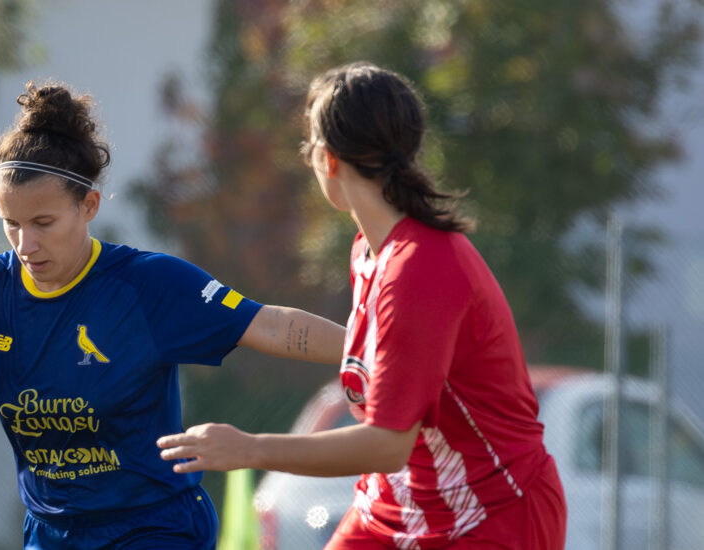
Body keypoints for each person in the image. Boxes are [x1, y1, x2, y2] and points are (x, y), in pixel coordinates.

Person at [0, 80, 345, 550]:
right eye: (11, 224)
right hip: (52, 534)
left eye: (43, 223)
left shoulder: (146, 285)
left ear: (88, 205)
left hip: (155, 529)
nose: (25, 244)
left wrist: (373, 348)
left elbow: (271, 325)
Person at [157, 62, 567, 549]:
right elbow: (379, 355)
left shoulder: (421, 268)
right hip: (397, 505)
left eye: (309, 146)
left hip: (490, 513)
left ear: (328, 159)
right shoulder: (370, 248)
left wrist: (248, 448)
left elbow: (386, 444)